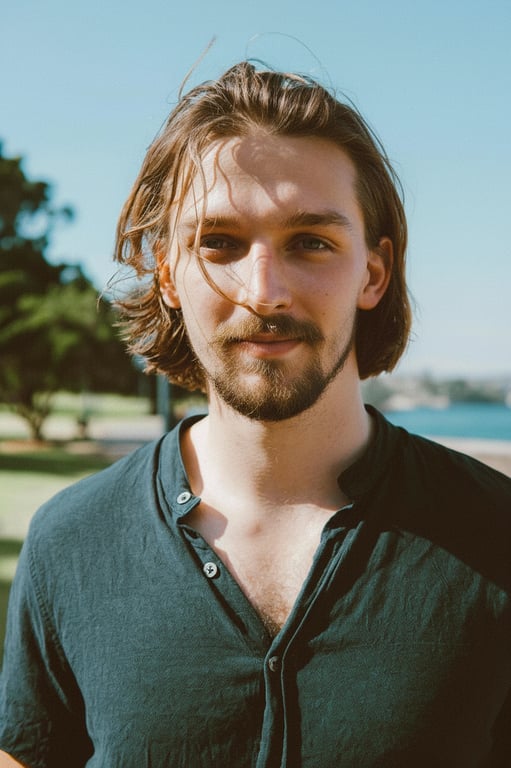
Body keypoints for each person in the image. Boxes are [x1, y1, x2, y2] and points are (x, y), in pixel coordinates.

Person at [0, 62, 510, 768]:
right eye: (219, 242)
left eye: (310, 242)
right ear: (167, 272)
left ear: (372, 272)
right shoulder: (72, 543)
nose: (263, 290)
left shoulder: (494, 531)